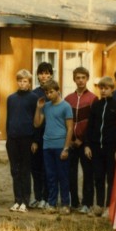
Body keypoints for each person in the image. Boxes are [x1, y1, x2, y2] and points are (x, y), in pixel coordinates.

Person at [34, 80, 73, 214]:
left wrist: (66, 148)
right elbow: (37, 124)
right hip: (47, 146)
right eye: (46, 92)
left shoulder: (66, 106)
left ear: (58, 90)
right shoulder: (46, 106)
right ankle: (52, 203)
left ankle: (65, 204)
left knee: (63, 176)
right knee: (50, 176)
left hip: (60, 145)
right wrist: (38, 108)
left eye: (51, 92)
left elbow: (70, 129)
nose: (49, 94)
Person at [84, 77, 116, 218]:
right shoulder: (96, 105)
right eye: (101, 88)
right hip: (96, 147)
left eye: (106, 88)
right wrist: (87, 145)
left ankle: (109, 207)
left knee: (111, 178)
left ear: (112, 89)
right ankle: (98, 205)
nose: (103, 91)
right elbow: (90, 126)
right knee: (98, 177)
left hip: (110, 148)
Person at [64, 66, 96, 214]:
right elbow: (65, 122)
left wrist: (83, 140)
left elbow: (92, 123)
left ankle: (87, 203)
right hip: (71, 143)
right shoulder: (68, 99)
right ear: (74, 79)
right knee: (71, 173)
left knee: (88, 173)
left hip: (85, 143)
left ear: (87, 79)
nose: (81, 80)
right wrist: (70, 140)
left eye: (83, 77)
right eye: (78, 78)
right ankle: (74, 202)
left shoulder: (93, 98)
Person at [6, 69, 38, 213]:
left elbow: (36, 121)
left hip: (27, 138)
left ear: (29, 83)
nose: (22, 83)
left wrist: (34, 140)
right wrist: (8, 137)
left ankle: (25, 200)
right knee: (15, 170)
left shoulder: (33, 98)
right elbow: (9, 119)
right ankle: (17, 200)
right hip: (13, 138)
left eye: (25, 81)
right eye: (19, 80)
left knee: (25, 170)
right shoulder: (11, 98)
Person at [31, 62, 52, 208]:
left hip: (50, 136)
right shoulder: (34, 94)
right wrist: (34, 140)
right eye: (41, 73)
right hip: (36, 136)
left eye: (46, 73)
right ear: (37, 75)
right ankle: (38, 197)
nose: (44, 76)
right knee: (36, 168)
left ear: (51, 74)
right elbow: (32, 119)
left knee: (47, 169)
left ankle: (46, 198)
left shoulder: (54, 93)